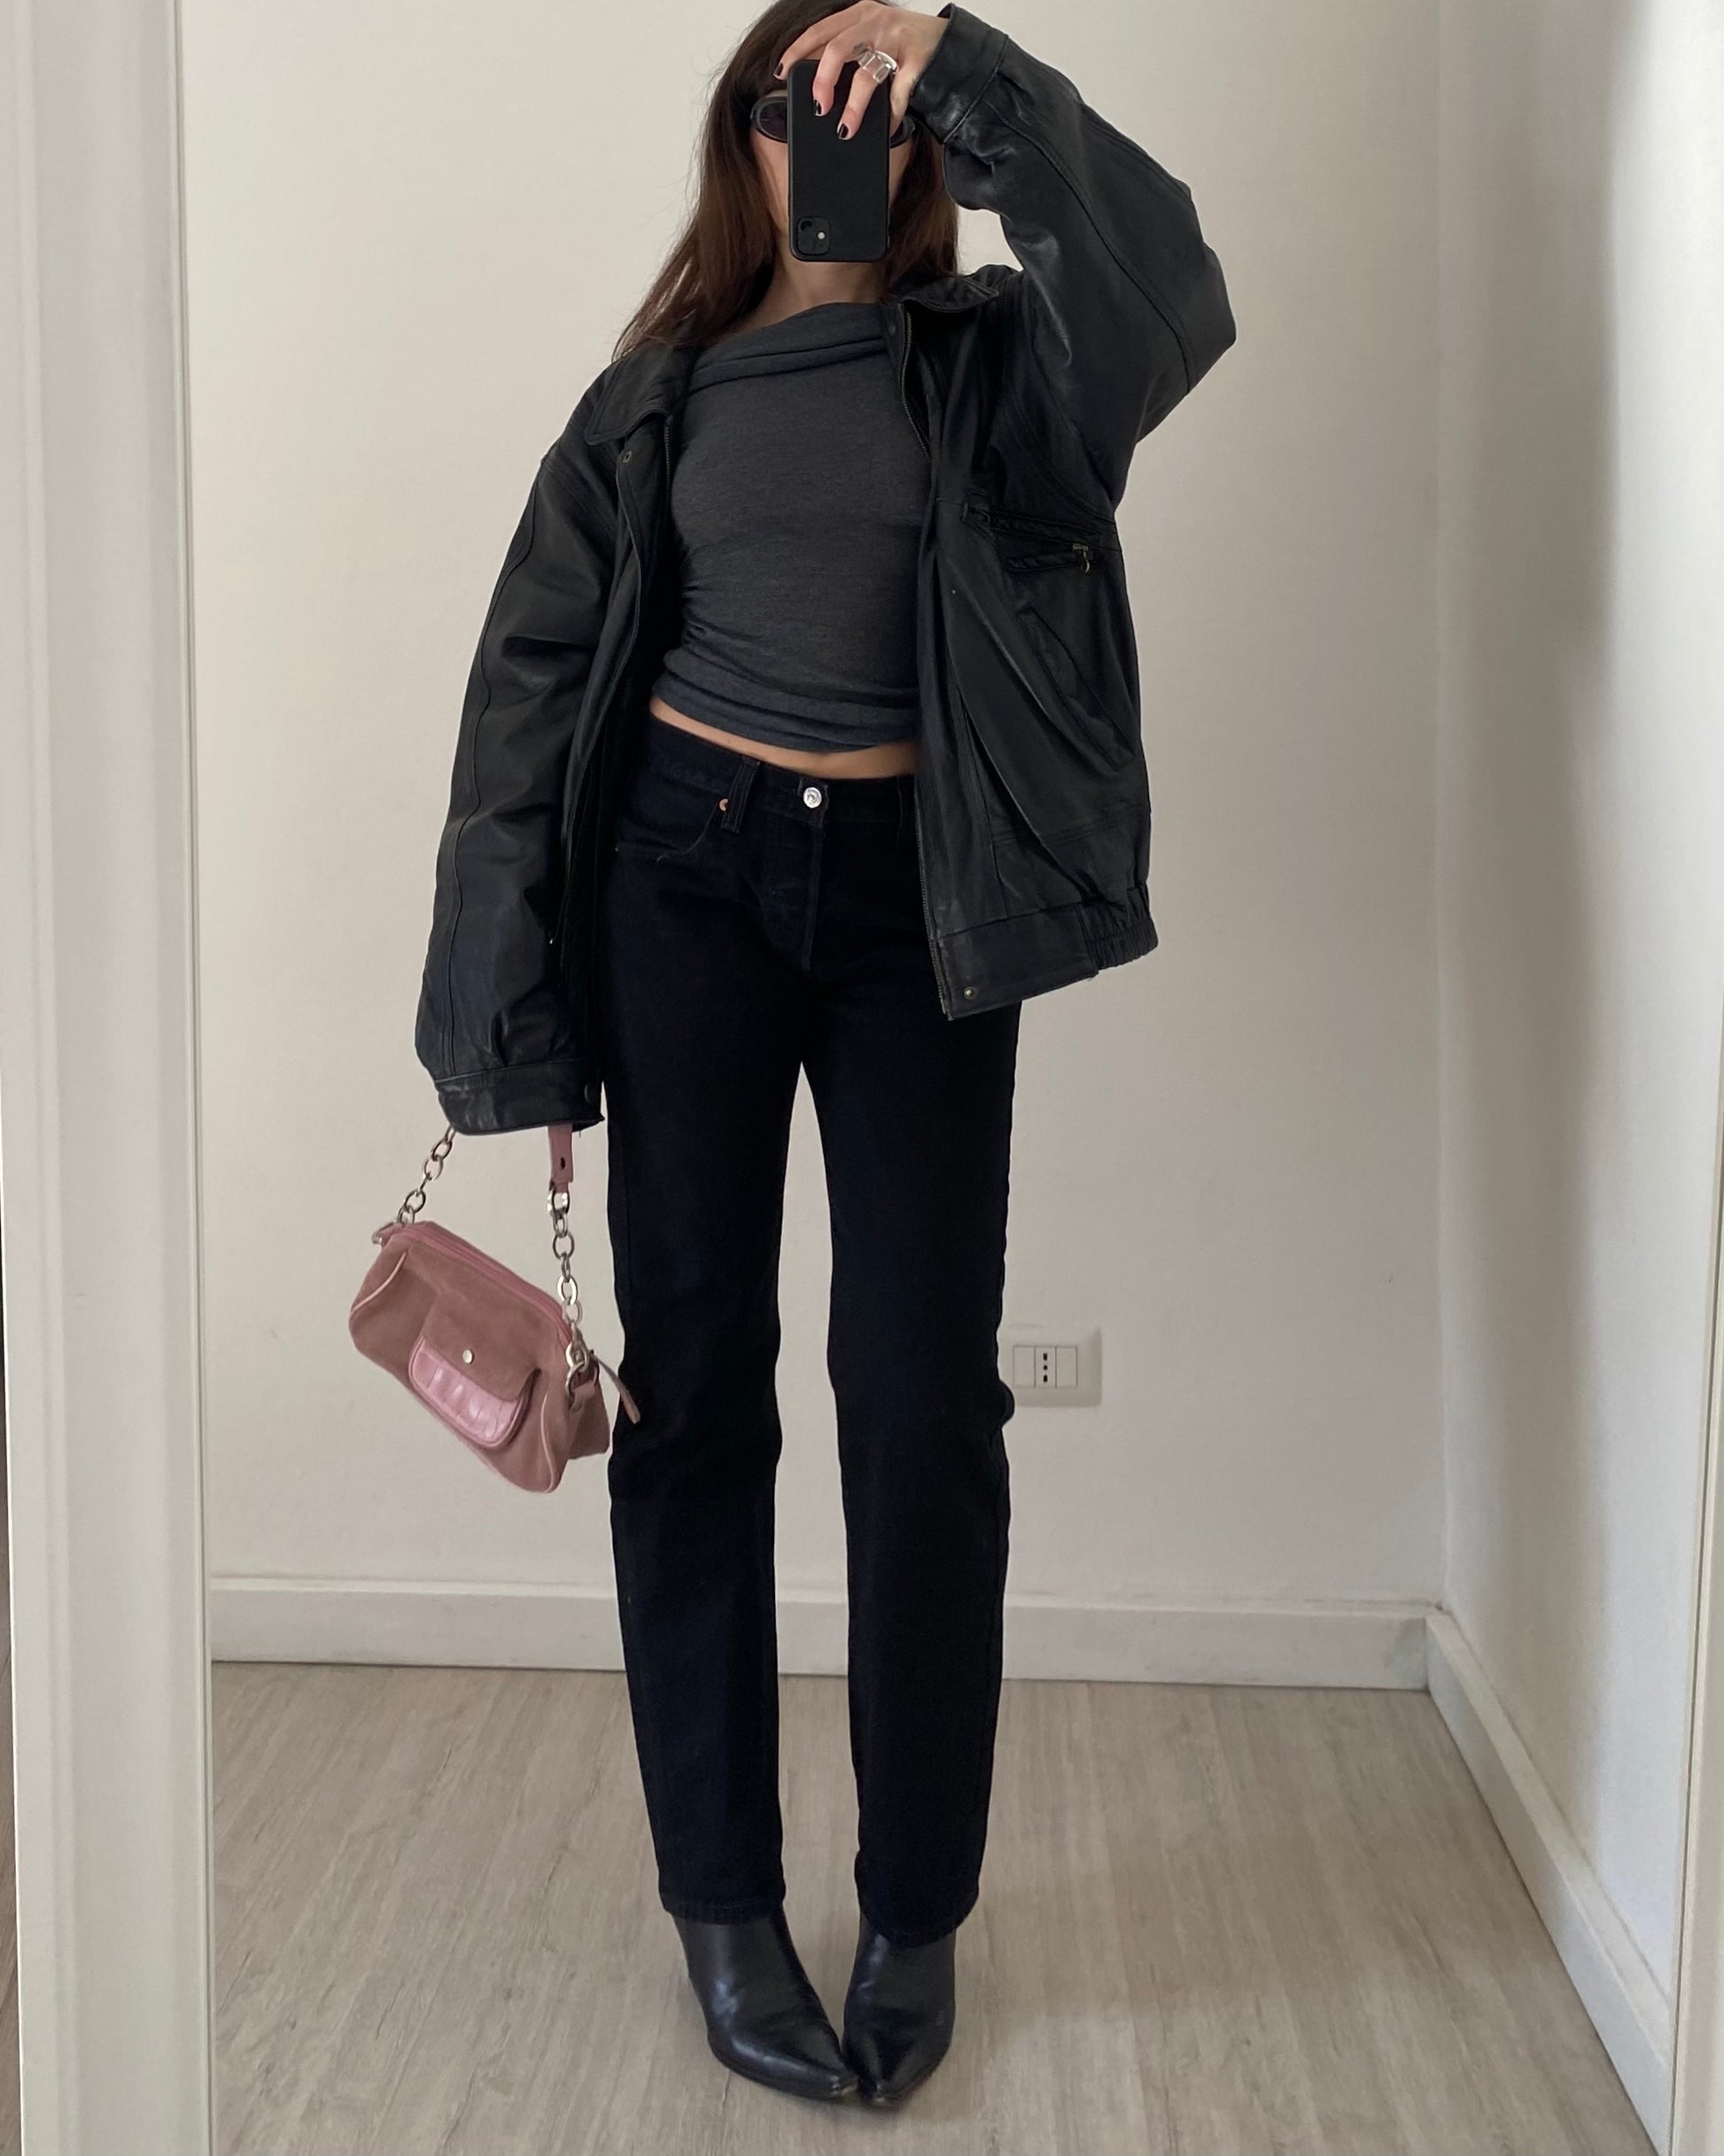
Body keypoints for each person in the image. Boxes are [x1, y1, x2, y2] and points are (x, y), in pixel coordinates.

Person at [415, 0, 1233, 2110]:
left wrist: (967, 55)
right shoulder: (654, 397)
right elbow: (525, 703)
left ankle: (915, 1906)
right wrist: (510, 1012)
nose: (838, 132)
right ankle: (719, 1901)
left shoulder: (1007, 369)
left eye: (876, 100)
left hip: (914, 914)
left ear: (929, 136)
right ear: (742, 139)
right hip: (679, 884)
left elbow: (1171, 282)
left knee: (922, 1402)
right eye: (802, 100)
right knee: (697, 1395)